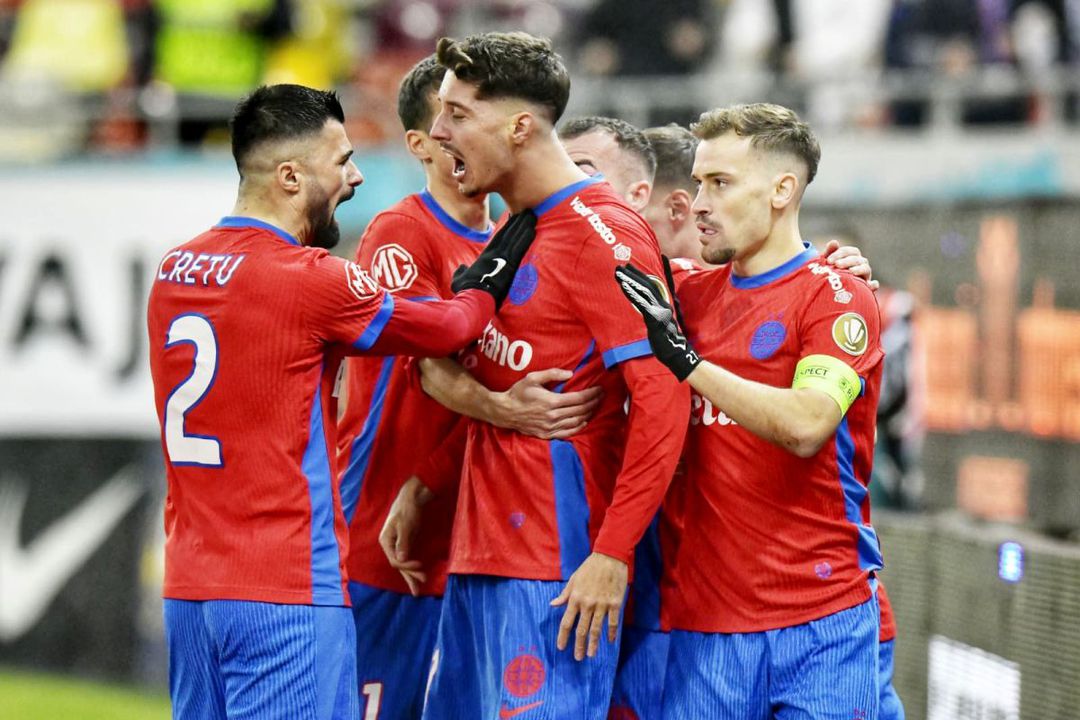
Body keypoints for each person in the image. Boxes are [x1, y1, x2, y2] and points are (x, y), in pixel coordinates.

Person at [147, 83, 537, 720]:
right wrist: (498, 265)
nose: (356, 178)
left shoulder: (173, 271)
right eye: (343, 161)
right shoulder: (310, 279)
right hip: (285, 587)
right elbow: (449, 328)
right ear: (291, 176)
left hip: (189, 590)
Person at [379, 32, 689, 719]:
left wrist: (612, 554)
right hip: (480, 553)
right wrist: (428, 483)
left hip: (556, 563)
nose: (438, 130)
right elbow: (492, 381)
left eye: (458, 113)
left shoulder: (602, 233)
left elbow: (664, 398)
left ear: (519, 127)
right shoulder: (517, 229)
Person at [335, 57, 598, 720]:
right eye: (443, 121)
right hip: (383, 533)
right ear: (419, 145)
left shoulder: (516, 237)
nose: (455, 135)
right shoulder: (402, 232)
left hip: (473, 536)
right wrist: (508, 409)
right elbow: (426, 364)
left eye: (466, 118)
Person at [615, 103, 884, 718]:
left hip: (822, 623)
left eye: (720, 183)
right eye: (698, 182)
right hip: (703, 629)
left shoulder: (838, 295)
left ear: (782, 191)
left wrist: (688, 364)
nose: (699, 203)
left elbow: (807, 425)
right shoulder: (682, 295)